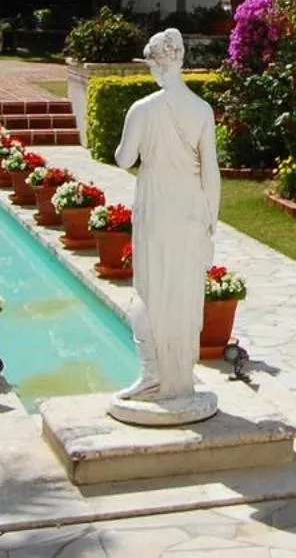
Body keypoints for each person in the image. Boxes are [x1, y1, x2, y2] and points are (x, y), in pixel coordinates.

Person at [108, 27, 222, 425]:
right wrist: (211, 223)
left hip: (158, 206)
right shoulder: (201, 110)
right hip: (190, 210)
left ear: (158, 63)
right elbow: (212, 173)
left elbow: (123, 159)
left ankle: (153, 373)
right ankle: (178, 376)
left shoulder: (142, 109)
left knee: (148, 290)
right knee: (184, 291)